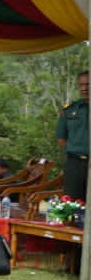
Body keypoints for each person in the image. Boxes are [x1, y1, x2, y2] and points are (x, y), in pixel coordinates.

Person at [56, 71, 88, 201]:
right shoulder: (70, 110)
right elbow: (61, 138)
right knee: (71, 204)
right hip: (75, 163)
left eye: (88, 84)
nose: (84, 88)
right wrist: (74, 151)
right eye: (81, 85)